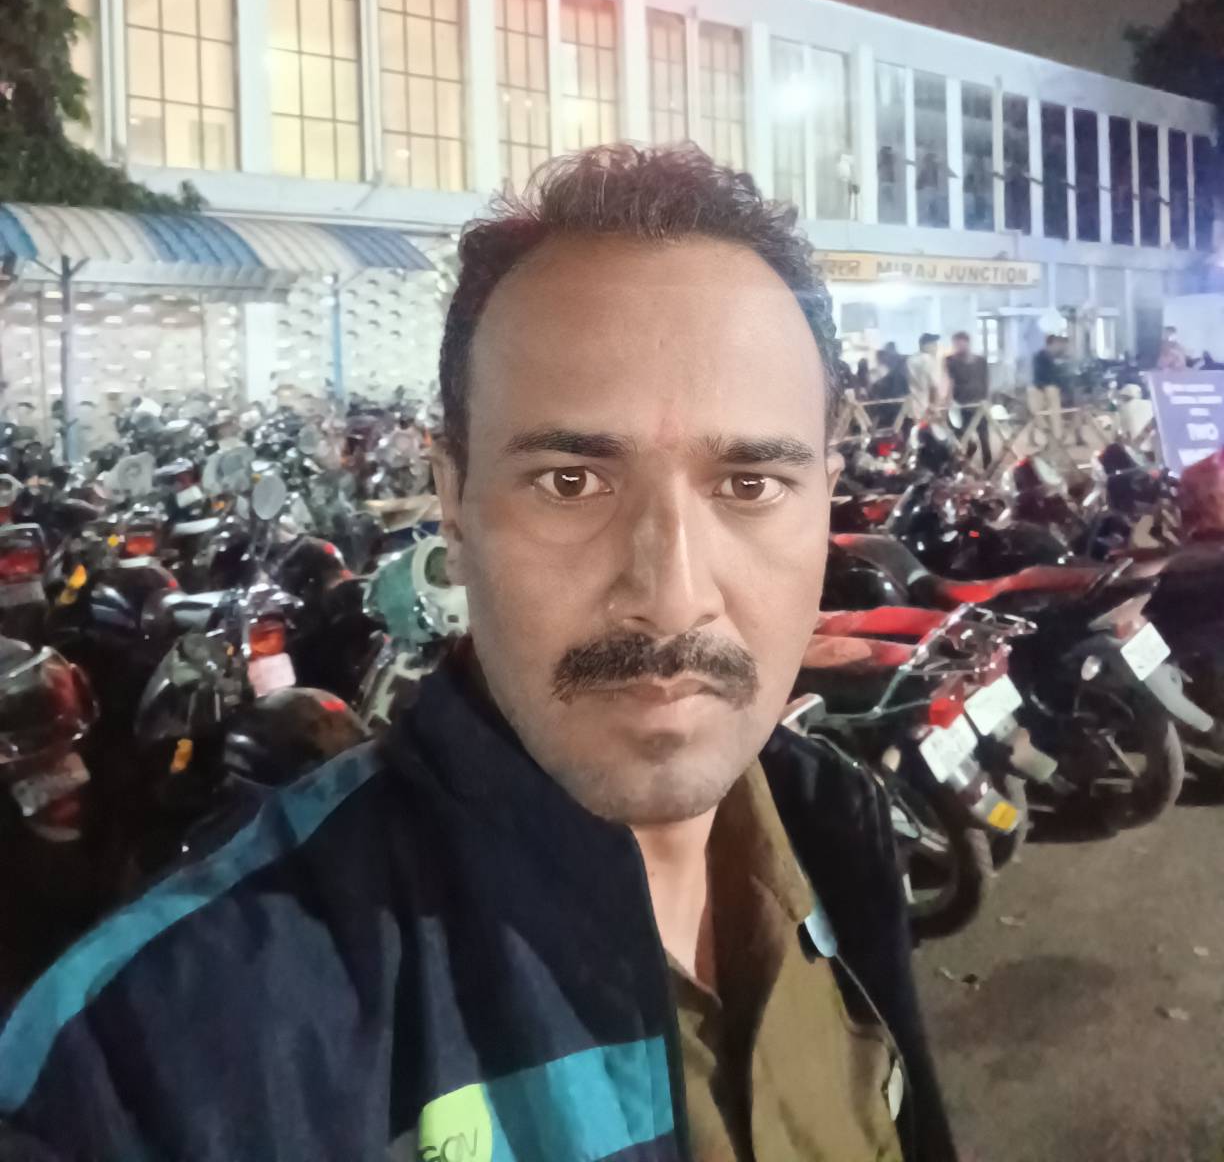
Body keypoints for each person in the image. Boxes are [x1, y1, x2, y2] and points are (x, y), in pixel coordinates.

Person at [0, 146, 954, 1162]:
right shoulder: (149, 1060)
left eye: (750, 485)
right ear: (453, 505)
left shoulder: (834, 837)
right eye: (571, 483)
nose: (673, 594)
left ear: (825, 499)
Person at [945, 330, 992, 468]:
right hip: (961, 406)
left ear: (967, 343)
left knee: (984, 438)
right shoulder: (950, 361)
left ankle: (988, 466)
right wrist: (947, 403)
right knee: (964, 438)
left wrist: (987, 399)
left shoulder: (981, 361)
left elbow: (986, 381)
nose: (958, 346)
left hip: (979, 405)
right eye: (956, 344)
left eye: (960, 343)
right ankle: (963, 463)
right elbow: (949, 382)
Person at [1028, 333, 1070, 442]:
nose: (1060, 346)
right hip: (1039, 388)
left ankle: (1056, 436)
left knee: (1054, 410)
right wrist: (1050, 386)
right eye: (1058, 344)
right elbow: (1039, 375)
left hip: (1049, 388)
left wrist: (1062, 387)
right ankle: (1051, 434)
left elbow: (1059, 376)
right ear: (1051, 344)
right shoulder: (1040, 356)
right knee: (1038, 412)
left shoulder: (1057, 357)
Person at [903, 332, 947, 433]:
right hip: (926, 409)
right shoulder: (929, 360)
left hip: (910, 408)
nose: (936, 348)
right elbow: (934, 386)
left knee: (913, 436)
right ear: (925, 346)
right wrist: (934, 407)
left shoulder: (910, 359)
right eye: (934, 344)